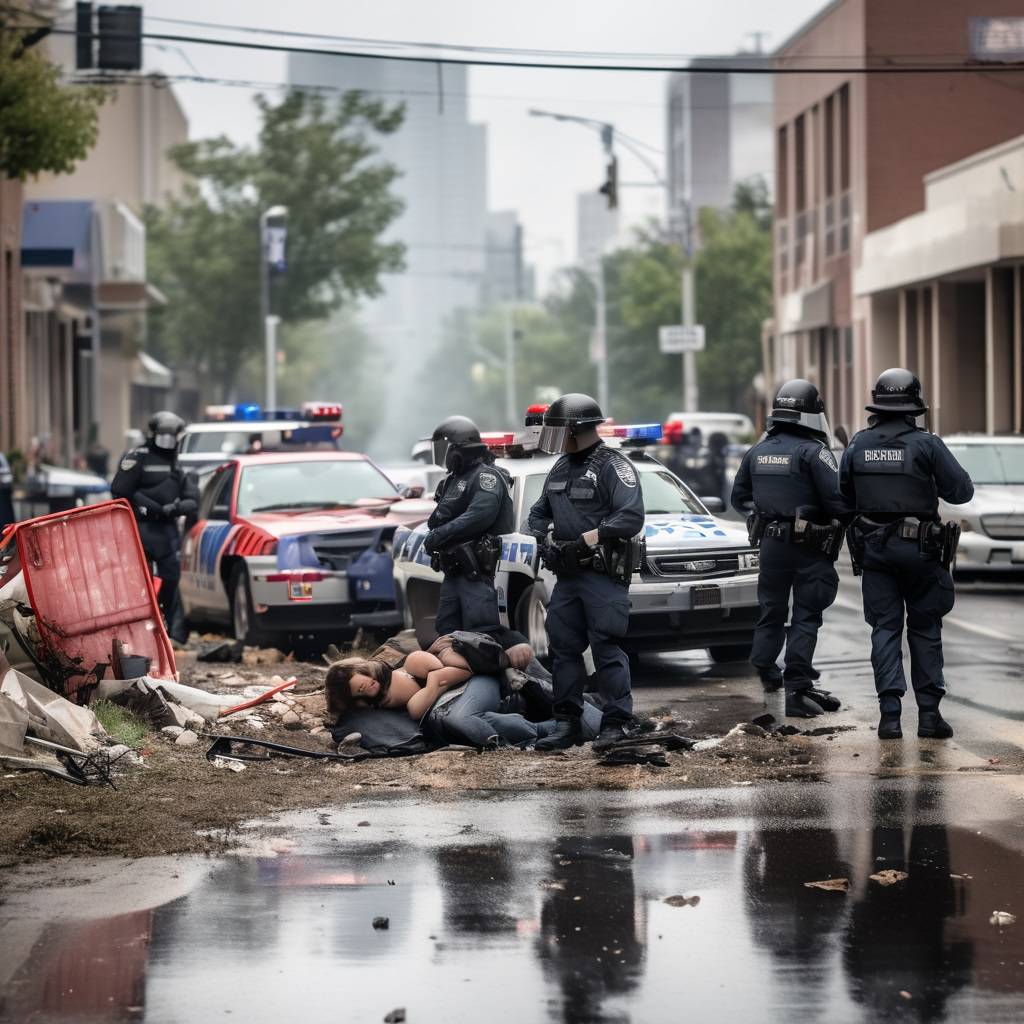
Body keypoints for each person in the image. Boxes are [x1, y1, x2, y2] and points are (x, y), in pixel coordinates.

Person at [840, 368, 973, 740]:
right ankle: (929, 717)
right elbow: (961, 492)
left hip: (875, 552)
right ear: (914, 405)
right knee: (926, 628)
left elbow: (844, 496)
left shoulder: (858, 443)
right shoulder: (927, 444)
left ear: (878, 404)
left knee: (884, 629)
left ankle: (890, 718)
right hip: (921, 551)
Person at [527, 393, 646, 751]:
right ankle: (567, 723)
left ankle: (616, 723)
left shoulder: (613, 465)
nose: (555, 439)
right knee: (563, 649)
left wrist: (586, 539)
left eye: (559, 430)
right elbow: (537, 514)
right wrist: (546, 535)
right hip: (568, 577)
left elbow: (630, 516)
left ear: (577, 429)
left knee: (606, 646)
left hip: (601, 576)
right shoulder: (560, 467)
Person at [731, 379, 849, 718]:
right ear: (812, 414)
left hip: (770, 545)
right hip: (809, 547)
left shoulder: (757, 450)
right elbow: (837, 501)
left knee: (771, 610)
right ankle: (798, 687)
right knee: (806, 615)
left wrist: (765, 514)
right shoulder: (815, 452)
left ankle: (766, 668)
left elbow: (738, 498)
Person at [326, 641, 601, 747]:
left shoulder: (410, 666)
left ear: (365, 669)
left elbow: (463, 671)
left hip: (472, 684)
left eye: (362, 682)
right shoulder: (378, 708)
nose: (367, 689)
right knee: (478, 719)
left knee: (459, 716)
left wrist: (434, 683)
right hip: (450, 705)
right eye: (360, 693)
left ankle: (508, 746)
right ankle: (549, 730)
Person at [111, 411, 198, 644]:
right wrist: (153, 507)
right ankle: (136, 632)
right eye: (165, 435)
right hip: (138, 528)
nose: (169, 441)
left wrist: (175, 508)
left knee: (171, 579)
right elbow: (121, 490)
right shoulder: (138, 457)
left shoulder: (175, 464)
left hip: (166, 531)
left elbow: (191, 497)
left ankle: (167, 630)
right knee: (135, 583)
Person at [424, 416, 514, 637]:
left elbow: (479, 515)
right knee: (446, 630)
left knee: (481, 632)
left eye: (446, 447)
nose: (443, 455)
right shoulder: (454, 479)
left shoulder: (485, 476)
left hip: (474, 571)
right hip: (453, 570)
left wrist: (439, 535)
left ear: (459, 449)